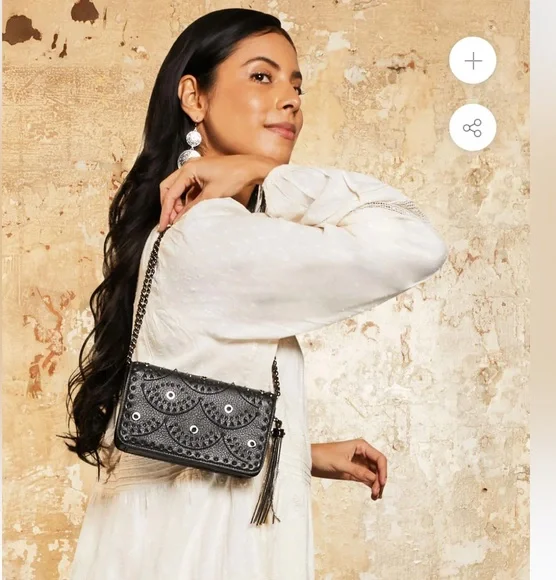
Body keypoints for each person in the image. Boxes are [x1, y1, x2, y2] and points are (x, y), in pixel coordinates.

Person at [64, 8, 447, 580]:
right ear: (194, 98)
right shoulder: (212, 235)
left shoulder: (196, 227)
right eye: (262, 77)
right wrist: (263, 172)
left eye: (297, 85)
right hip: (207, 548)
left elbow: (181, 400)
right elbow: (416, 242)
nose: (290, 100)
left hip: (175, 537)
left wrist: (300, 453)